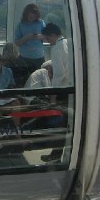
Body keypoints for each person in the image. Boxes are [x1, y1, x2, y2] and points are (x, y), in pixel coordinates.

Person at [40, 24, 70, 162]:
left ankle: (56, 155)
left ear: (53, 35)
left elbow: (59, 73)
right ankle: (59, 154)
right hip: (70, 88)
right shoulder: (67, 43)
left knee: (60, 125)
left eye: (47, 38)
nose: (47, 41)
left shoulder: (56, 48)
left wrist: (53, 91)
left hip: (61, 91)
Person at [14, 3, 46, 79]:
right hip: (25, 58)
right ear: (26, 13)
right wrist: (26, 37)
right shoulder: (20, 25)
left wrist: (39, 37)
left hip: (39, 58)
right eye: (31, 14)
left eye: (35, 15)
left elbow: (47, 37)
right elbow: (16, 43)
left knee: (40, 80)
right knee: (24, 80)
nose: (33, 17)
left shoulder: (41, 23)